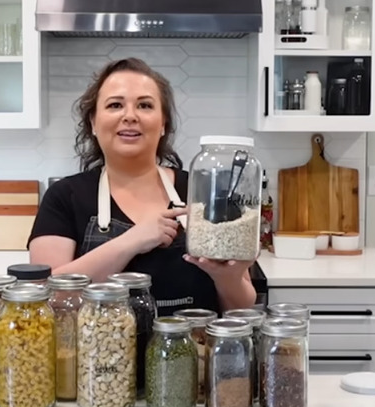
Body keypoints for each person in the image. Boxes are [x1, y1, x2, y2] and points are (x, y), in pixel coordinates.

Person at [28, 57, 256, 316]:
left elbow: (240, 307)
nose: (130, 116)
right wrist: (132, 241)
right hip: (101, 355)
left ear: (163, 125)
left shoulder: (203, 190)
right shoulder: (64, 197)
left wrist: (230, 277)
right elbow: (44, 298)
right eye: (115, 105)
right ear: (93, 122)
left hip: (195, 350)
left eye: (145, 105)